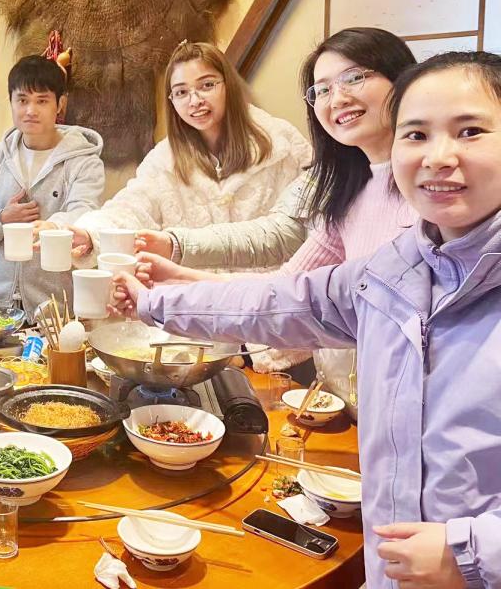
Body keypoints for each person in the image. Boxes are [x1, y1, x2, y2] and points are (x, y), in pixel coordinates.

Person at [117, 50, 501, 589]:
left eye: (470, 131)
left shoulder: (277, 143)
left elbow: (274, 242)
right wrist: (156, 300)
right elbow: (285, 298)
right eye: (416, 135)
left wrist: (473, 552)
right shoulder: (399, 266)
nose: (438, 157)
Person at [134, 28, 418, 384]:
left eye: (354, 78)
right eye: (323, 90)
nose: (338, 98)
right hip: (359, 383)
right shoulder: (343, 189)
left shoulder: (432, 187)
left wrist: (175, 257)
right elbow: (285, 288)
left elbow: (280, 235)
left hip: (416, 388)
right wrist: (174, 277)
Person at [64, 41, 311, 270]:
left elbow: (311, 223)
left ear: (229, 85)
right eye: (181, 92)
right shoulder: (165, 160)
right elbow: (130, 208)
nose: (195, 101)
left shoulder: (282, 143)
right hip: (193, 296)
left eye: (207, 85)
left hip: (268, 294)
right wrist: (90, 234)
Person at [0, 55, 104, 310]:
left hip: (54, 304)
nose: (30, 110)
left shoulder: (83, 161)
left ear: (60, 104)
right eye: (22, 100)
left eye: (42, 100)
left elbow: (84, 213)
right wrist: (2, 219)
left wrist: (52, 226)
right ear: (11, 102)